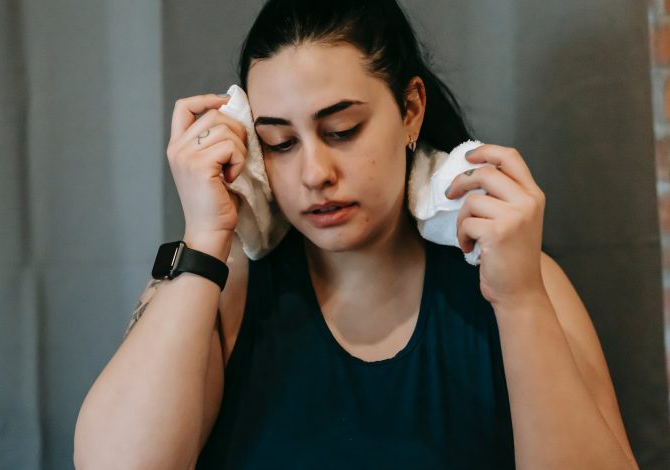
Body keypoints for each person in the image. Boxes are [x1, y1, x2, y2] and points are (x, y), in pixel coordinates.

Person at [73, 0, 639, 468]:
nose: (315, 173)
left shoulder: (519, 281)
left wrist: (518, 299)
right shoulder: (225, 292)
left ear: (411, 110)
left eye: (341, 130)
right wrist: (204, 238)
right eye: (279, 142)